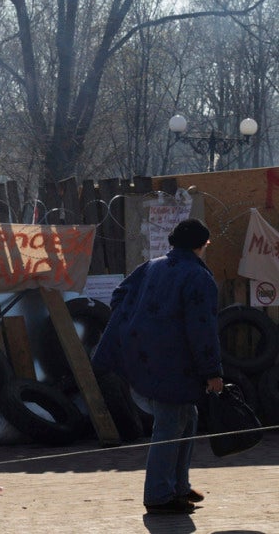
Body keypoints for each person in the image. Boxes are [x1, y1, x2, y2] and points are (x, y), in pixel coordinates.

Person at [92, 217, 224, 514]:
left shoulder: (152, 266)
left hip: (149, 357)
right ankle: (159, 495)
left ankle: (178, 485)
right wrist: (213, 371)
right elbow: (202, 328)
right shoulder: (198, 277)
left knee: (187, 417)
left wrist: (140, 329)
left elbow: (119, 296)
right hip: (175, 363)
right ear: (201, 245)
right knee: (168, 426)